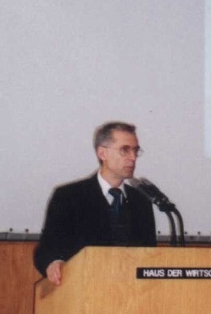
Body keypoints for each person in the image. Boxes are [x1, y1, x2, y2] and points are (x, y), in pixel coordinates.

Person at [34, 121, 157, 284]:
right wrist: (54, 262)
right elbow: (47, 248)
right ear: (102, 153)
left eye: (135, 151)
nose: (133, 157)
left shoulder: (141, 200)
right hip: (84, 287)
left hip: (132, 289)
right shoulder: (69, 196)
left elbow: (149, 255)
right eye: (125, 150)